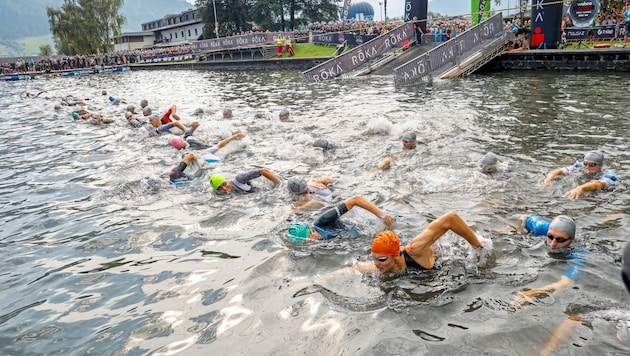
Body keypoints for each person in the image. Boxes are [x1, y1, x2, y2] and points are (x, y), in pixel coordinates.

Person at [512, 215, 587, 306]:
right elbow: (524, 218)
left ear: (571, 241)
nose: (553, 244)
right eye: (550, 237)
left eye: (560, 240)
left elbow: (565, 283)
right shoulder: (540, 227)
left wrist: (531, 294)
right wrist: (519, 230)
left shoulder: (580, 254)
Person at [287, 195, 394, 243]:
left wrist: (382, 215)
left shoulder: (323, 221)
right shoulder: (318, 241)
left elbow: (356, 199)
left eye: (306, 242)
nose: (307, 246)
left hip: (371, 223)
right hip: (360, 234)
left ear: (311, 233)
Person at [543, 150, 618, 199]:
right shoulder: (580, 166)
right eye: (585, 164)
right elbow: (559, 171)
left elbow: (597, 184)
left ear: (600, 166)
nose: (587, 167)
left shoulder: (608, 176)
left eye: (592, 165)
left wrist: (581, 188)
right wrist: (548, 179)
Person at [209, 168, 281, 194]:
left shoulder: (239, 179)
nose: (224, 189)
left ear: (226, 181)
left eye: (224, 184)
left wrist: (278, 184)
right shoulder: (221, 195)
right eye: (219, 188)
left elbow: (263, 171)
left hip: (263, 191)